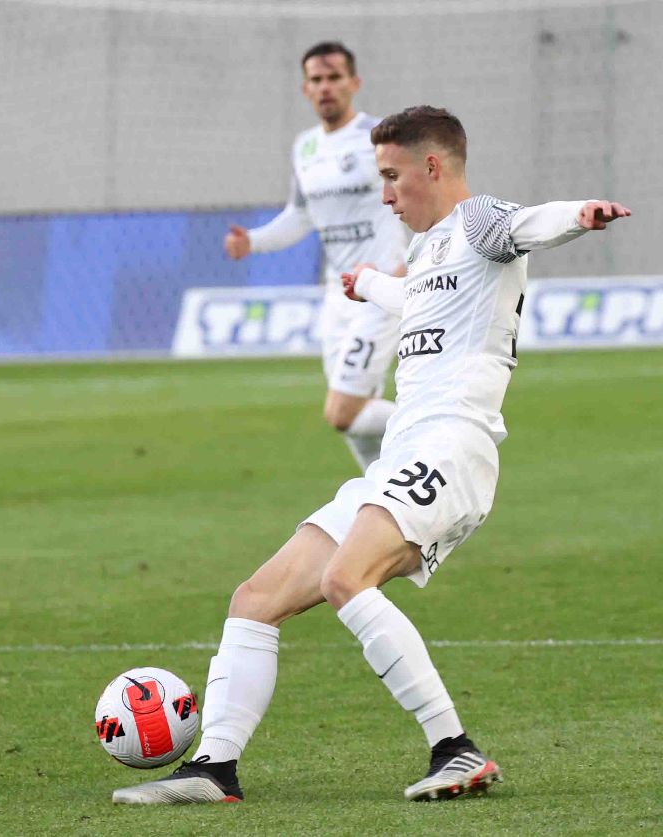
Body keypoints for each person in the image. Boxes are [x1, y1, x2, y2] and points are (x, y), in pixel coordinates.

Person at [114, 106, 629, 805]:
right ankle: (213, 767)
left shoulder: (478, 221)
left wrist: (582, 214)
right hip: (401, 455)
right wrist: (367, 284)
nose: (384, 195)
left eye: (391, 176)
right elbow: (416, 297)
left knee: (345, 577)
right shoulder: (431, 249)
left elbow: (527, 223)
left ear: (433, 167)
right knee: (255, 599)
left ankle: (455, 747)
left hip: (453, 447)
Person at [224, 42, 406, 472]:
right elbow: (300, 215)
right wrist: (254, 241)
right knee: (357, 419)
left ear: (354, 83)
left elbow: (416, 197)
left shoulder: (379, 137)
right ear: (305, 89)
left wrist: (406, 265)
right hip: (338, 295)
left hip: (380, 288)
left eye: (334, 77)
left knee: (342, 412)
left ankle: (450, 424)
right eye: (316, 80)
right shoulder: (305, 147)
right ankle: (384, 493)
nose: (326, 87)